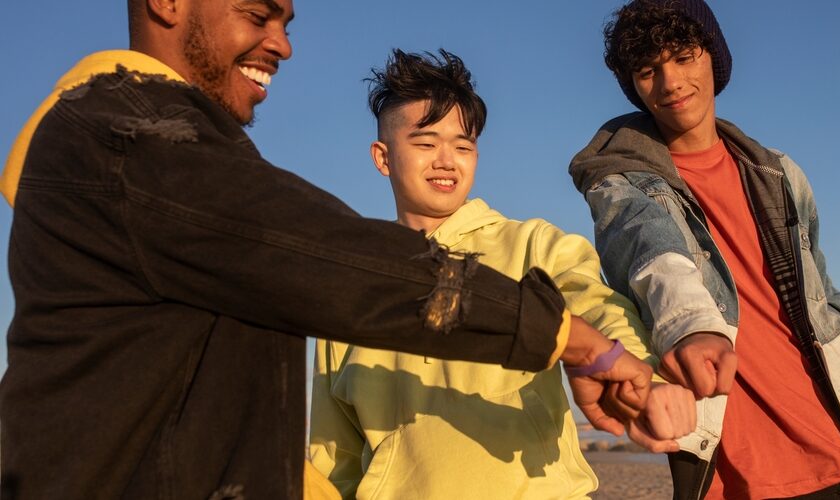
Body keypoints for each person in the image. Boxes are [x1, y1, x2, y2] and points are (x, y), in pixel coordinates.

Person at [0, 1, 654, 498]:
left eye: (286, 20)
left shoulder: (163, 148)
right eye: (257, 13)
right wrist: (570, 340)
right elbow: (338, 262)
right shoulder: (132, 145)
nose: (283, 43)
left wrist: (631, 359)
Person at [568, 0, 840, 498]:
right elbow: (653, 254)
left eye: (684, 57)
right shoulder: (620, 182)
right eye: (648, 70)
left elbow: (823, 296)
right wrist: (691, 329)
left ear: (714, 58)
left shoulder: (778, 172)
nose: (670, 82)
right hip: (748, 478)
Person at [307, 48, 696, 500]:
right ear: (383, 157)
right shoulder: (355, 285)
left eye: (462, 146)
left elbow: (601, 309)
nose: (447, 161)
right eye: (425, 144)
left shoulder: (535, 245)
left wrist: (646, 380)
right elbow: (334, 454)